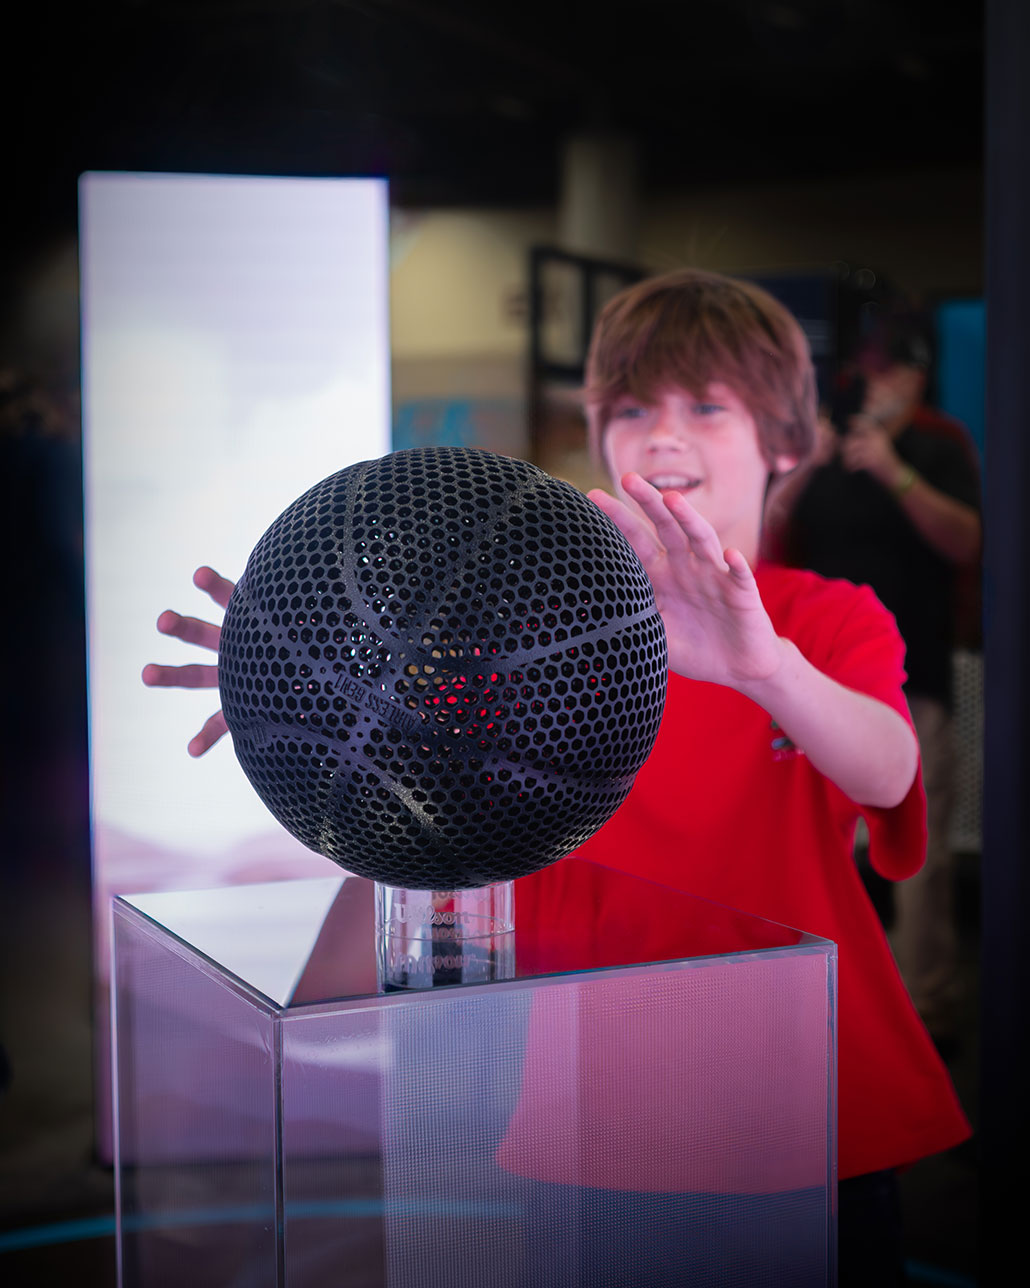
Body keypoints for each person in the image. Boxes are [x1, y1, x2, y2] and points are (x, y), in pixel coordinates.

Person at [145, 267, 971, 1285]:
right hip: (595, 1108)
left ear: (784, 444)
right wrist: (305, 681)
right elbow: (411, 803)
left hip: (795, 1113)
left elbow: (887, 768)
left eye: (706, 405)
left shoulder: (821, 618)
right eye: (631, 407)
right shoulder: (526, 626)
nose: (663, 433)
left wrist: (765, 669)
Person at [764, 309, 982, 1054]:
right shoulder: (819, 446)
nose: (877, 382)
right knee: (812, 850)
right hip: (804, 686)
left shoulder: (936, 443)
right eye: (868, 368)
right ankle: (818, 1014)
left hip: (909, 676)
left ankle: (926, 1020)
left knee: (918, 860)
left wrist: (898, 473)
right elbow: (759, 545)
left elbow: (965, 540)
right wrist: (799, 473)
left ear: (919, 376)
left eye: (894, 369)